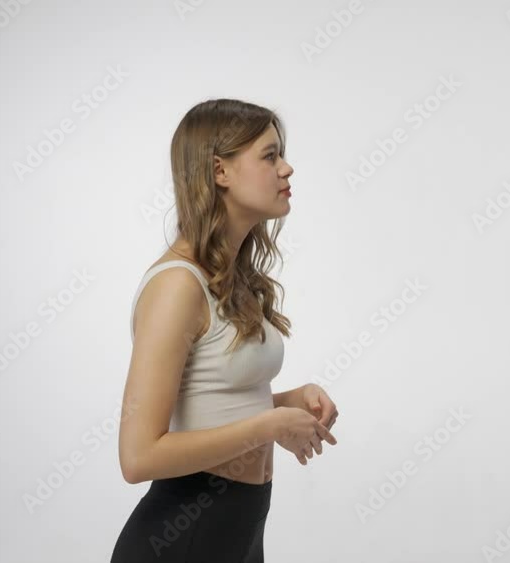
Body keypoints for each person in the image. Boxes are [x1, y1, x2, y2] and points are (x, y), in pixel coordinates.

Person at [110, 99, 338, 562]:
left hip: (239, 536)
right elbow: (138, 457)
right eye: (270, 155)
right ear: (220, 171)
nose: (287, 169)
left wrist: (284, 402)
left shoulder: (230, 278)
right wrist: (268, 425)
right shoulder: (177, 286)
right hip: (180, 541)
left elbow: (210, 407)